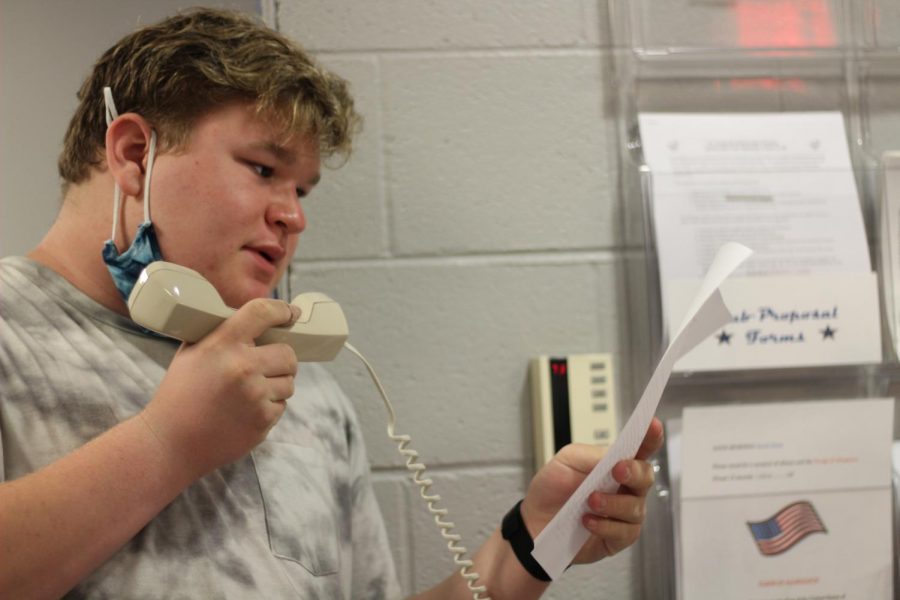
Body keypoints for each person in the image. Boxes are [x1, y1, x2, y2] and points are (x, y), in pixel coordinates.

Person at [0, 8, 664, 599]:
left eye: (304, 190)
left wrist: (529, 541)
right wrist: (167, 445)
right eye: (263, 169)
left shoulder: (297, 385)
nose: (293, 217)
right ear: (135, 154)